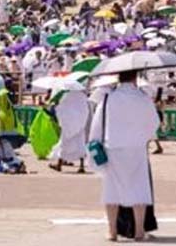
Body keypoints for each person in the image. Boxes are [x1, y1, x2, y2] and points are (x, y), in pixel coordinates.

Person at [88, 69, 161, 242]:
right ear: (135, 77)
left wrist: (94, 142)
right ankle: (139, 230)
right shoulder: (143, 98)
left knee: (111, 188)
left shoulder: (108, 98)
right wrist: (144, 137)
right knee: (139, 187)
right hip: (136, 147)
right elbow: (154, 124)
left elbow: (97, 124)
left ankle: (112, 231)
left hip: (112, 145)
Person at [50, 85, 90, 173]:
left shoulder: (67, 96)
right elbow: (86, 111)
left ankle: (59, 165)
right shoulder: (83, 97)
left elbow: (62, 109)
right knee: (80, 145)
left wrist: (57, 107)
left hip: (68, 126)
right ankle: (81, 166)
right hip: (80, 126)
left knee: (64, 144)